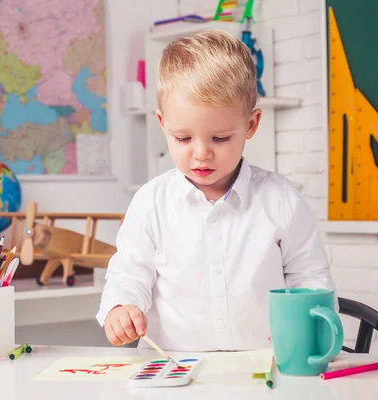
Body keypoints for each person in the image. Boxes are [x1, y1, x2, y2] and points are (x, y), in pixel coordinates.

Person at [95, 29, 335, 351]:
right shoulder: (151, 202)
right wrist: (120, 307)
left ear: (251, 125)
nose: (201, 153)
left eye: (220, 138)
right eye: (182, 138)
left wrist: (311, 328)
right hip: (174, 369)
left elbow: (309, 277)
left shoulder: (281, 199)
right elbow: (129, 271)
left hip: (264, 366)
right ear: (163, 123)